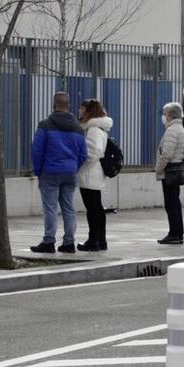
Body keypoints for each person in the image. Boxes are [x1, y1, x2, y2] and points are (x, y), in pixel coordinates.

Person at [29, 92, 87, 254]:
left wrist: (38, 169)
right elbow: (83, 154)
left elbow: (37, 150)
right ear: (68, 106)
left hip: (50, 172)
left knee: (50, 208)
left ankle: (49, 241)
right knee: (69, 208)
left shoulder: (45, 125)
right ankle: (69, 243)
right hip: (70, 172)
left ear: (54, 105)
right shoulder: (78, 128)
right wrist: (73, 167)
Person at [76, 98, 113, 252]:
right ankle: (100, 240)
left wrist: (81, 167)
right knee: (96, 207)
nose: (79, 111)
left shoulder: (93, 129)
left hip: (90, 173)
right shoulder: (97, 128)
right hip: (94, 173)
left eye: (82, 109)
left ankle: (94, 241)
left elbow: (93, 152)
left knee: (93, 209)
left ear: (89, 111)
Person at [156, 101, 184, 245]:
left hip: (170, 171)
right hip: (176, 169)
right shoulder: (179, 128)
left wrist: (158, 168)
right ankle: (177, 233)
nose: (163, 116)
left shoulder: (172, 130)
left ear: (169, 115)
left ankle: (174, 233)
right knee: (175, 202)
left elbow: (167, 153)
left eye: (164, 113)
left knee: (171, 203)